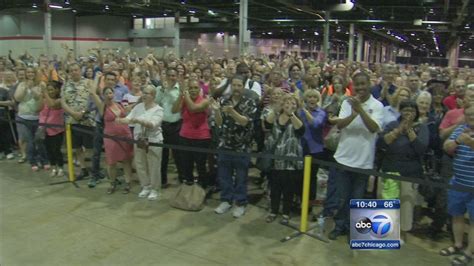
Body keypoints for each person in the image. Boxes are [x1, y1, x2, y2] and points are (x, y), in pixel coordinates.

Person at [329, 72, 384, 240]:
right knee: (342, 197)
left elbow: (374, 128)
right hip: (344, 158)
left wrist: (361, 110)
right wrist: (353, 113)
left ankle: (354, 231)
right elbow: (340, 124)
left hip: (363, 161)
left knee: (357, 199)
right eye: (357, 85)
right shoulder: (347, 102)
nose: (360, 88)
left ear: (369, 85)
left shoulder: (377, 105)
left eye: (363, 84)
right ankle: (339, 226)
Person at [378, 100, 429, 241]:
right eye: (405, 109)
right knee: (387, 201)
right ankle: (386, 230)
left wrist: (410, 132)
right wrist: (399, 130)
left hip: (410, 172)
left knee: (406, 203)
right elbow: (382, 143)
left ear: (416, 113)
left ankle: (402, 233)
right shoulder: (392, 125)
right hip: (390, 168)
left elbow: (421, 149)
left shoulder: (422, 127)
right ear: (400, 111)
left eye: (412, 110)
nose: (408, 113)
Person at [211, 75, 257, 218]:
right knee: (224, 176)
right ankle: (226, 200)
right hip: (225, 144)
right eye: (234, 85)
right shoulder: (224, 100)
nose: (236, 88)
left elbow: (245, 122)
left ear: (243, 87)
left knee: (241, 177)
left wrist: (231, 111)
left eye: (239, 86)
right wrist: (217, 111)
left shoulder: (250, 102)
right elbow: (219, 123)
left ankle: (240, 203)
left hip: (242, 147)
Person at [440, 106, 474, 266]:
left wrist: (471, 144)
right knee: (457, 215)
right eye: (468, 115)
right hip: (458, 181)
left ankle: (469, 253)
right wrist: (458, 141)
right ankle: (458, 245)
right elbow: (447, 147)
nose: (471, 117)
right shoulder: (460, 128)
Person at [117, 85, 164, 200]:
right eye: (143, 93)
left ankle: (155, 189)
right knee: (140, 164)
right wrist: (120, 120)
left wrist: (139, 120)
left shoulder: (158, 109)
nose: (144, 95)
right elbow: (129, 118)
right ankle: (145, 186)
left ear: (153, 96)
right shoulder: (138, 107)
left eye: (147, 93)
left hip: (153, 140)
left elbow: (153, 124)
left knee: (154, 165)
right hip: (139, 139)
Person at [264, 94, 305, 224]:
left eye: (293, 103)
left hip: (291, 160)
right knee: (275, 187)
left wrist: (291, 115)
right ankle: (273, 211)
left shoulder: (297, 117)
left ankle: (286, 213)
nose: (290, 105)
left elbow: (301, 131)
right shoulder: (275, 115)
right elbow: (267, 125)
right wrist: (276, 110)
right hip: (276, 159)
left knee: (289, 189)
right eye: (287, 103)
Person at [89, 86, 134, 194]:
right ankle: (112, 183)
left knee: (126, 160)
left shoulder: (119, 104)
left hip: (125, 135)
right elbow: (92, 92)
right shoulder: (102, 106)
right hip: (111, 137)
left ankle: (128, 183)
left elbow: (128, 112)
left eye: (111, 93)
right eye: (107, 93)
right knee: (111, 162)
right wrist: (98, 78)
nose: (109, 95)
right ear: (103, 96)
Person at [172, 79, 211, 186]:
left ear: (200, 89)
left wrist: (185, 96)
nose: (193, 90)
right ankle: (189, 186)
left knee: (200, 165)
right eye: (190, 88)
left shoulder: (205, 100)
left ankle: (202, 186)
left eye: (195, 88)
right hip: (185, 136)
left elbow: (193, 108)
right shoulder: (185, 99)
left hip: (201, 138)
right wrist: (181, 96)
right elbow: (174, 110)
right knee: (186, 165)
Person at [61, 63, 96, 180]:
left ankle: (93, 168)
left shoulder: (89, 83)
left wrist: (82, 112)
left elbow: (93, 99)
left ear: (80, 70)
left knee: (90, 147)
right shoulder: (65, 85)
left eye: (76, 70)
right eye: (71, 71)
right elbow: (63, 102)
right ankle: (83, 168)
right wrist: (73, 113)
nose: (74, 72)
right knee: (77, 147)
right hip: (72, 121)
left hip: (87, 120)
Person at [14, 66, 49, 171]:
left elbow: (42, 98)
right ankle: (33, 161)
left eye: (32, 72)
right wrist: (26, 88)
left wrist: (34, 91)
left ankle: (44, 160)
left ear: (35, 73)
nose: (30, 74)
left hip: (38, 117)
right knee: (29, 141)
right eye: (28, 72)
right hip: (23, 117)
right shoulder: (21, 84)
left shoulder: (41, 84)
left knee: (39, 140)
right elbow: (18, 98)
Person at [155, 67, 185, 186]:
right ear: (166, 76)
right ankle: (163, 180)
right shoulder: (160, 89)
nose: (172, 78)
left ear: (177, 77)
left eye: (174, 76)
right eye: (170, 75)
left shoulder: (180, 90)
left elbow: (180, 106)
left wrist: (177, 92)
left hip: (177, 125)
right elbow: (156, 103)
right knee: (163, 156)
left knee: (178, 155)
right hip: (163, 125)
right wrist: (163, 90)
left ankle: (182, 178)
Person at [298, 89, 326, 213]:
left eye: (314, 97)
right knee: (300, 177)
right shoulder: (300, 112)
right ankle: (300, 202)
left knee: (311, 179)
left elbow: (315, 124)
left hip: (315, 149)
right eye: (309, 97)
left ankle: (309, 205)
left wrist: (304, 111)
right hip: (300, 148)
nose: (312, 99)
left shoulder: (321, 112)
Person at [39, 80, 65, 177]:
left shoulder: (60, 100)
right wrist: (40, 97)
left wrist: (45, 92)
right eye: (48, 90)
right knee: (48, 150)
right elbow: (37, 109)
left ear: (57, 90)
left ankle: (61, 167)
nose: (50, 92)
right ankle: (53, 167)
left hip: (57, 130)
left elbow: (52, 105)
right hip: (45, 129)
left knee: (56, 150)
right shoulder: (45, 99)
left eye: (51, 90)